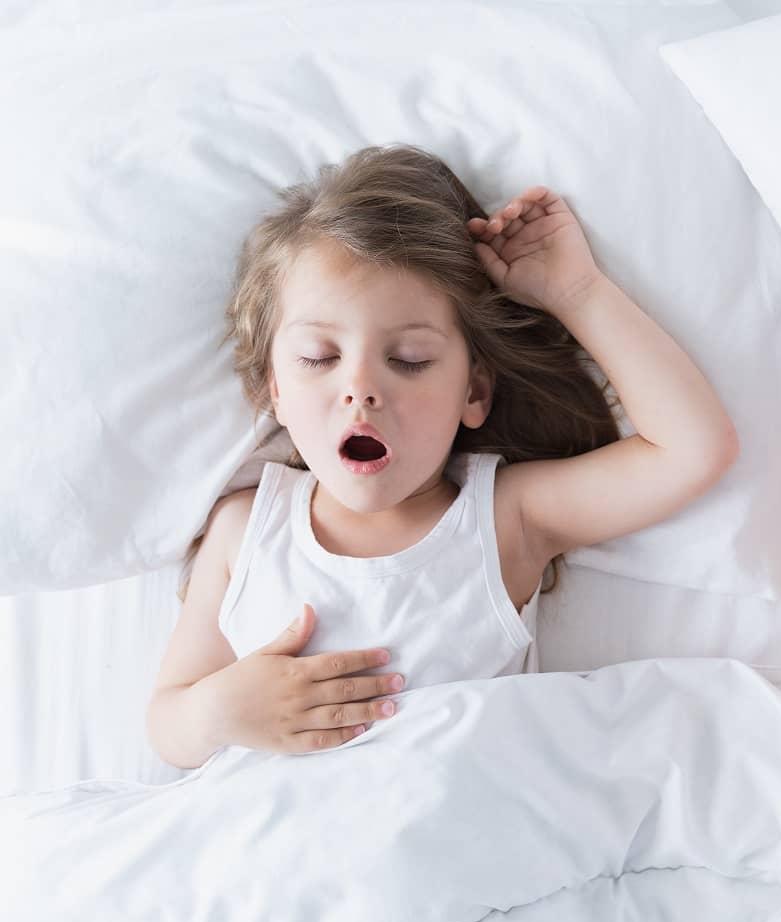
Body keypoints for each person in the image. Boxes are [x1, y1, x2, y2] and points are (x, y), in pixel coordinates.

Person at [146, 145, 739, 770]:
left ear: (473, 392)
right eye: (320, 357)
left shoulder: (503, 522)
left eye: (410, 360)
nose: (360, 389)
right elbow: (167, 721)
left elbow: (693, 450)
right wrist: (215, 711)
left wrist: (578, 292)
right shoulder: (246, 531)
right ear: (275, 391)